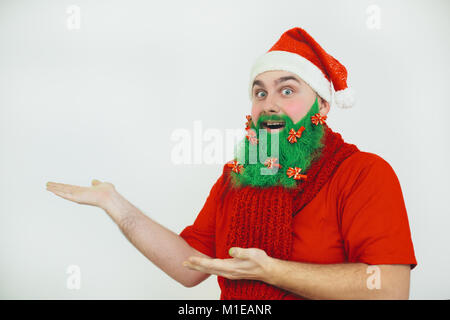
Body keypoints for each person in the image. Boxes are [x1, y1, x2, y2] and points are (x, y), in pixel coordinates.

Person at [46, 27, 417, 300]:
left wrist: (273, 272)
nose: (269, 103)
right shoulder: (238, 176)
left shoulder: (364, 173)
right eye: (260, 92)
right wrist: (116, 205)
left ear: (321, 105)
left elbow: (389, 289)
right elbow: (190, 266)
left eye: (287, 90)